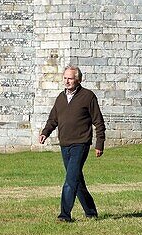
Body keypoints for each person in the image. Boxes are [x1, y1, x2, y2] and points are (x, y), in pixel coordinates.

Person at [38, 65, 105, 222]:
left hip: (80, 144)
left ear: (78, 79)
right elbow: (53, 119)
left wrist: (99, 143)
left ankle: (64, 215)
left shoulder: (88, 96)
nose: (66, 81)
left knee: (70, 180)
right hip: (65, 144)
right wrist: (44, 133)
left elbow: (99, 122)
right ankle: (91, 212)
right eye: (65, 78)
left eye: (70, 78)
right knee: (77, 180)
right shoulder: (60, 98)